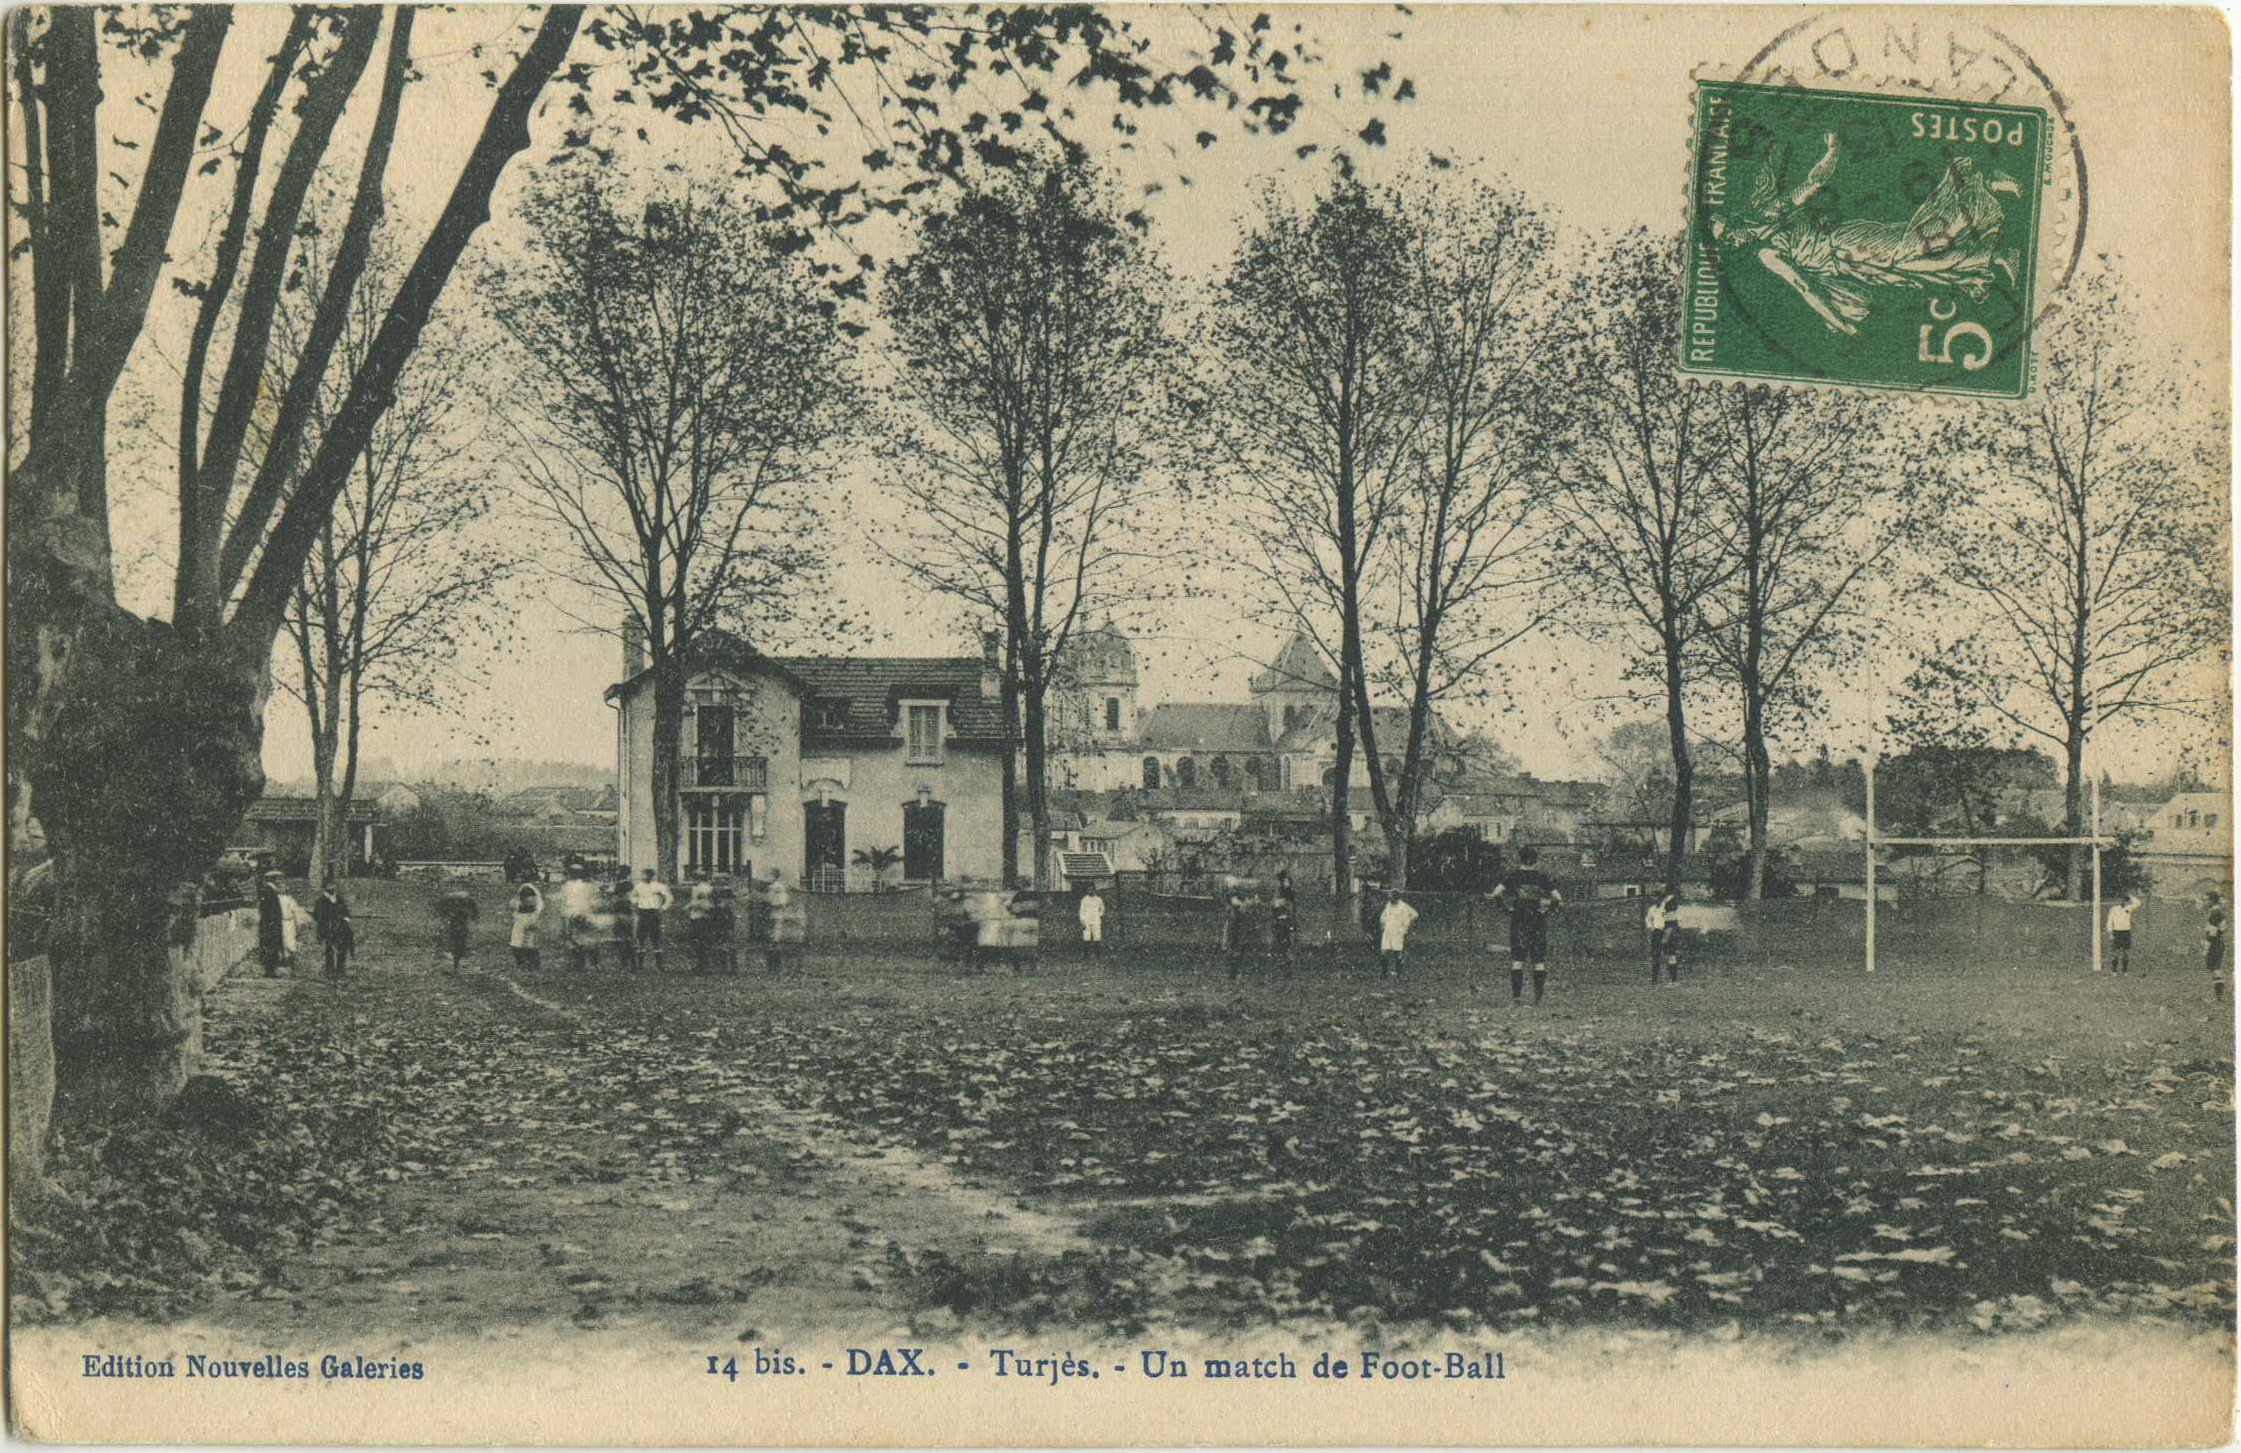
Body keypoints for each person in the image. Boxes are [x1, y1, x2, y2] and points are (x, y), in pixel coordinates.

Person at [1491, 847, 1563, 1004]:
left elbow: (1496, 893)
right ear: (1536, 860)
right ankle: (1538, 998)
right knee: (1539, 960)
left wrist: (1505, 908)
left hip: (1519, 919)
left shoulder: (1514, 876)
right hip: (1537, 919)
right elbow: (1557, 897)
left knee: (1518, 959)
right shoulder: (1541, 877)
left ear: (1520, 859)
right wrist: (1547, 911)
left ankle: (1517, 997)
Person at [631, 867, 674, 971]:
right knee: (641, 939)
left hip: (654, 913)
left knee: (656, 940)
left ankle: (659, 966)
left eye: (648, 875)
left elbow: (669, 898)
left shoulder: (659, 886)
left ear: (652, 876)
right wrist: (636, 906)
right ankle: (640, 966)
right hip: (643, 913)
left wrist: (663, 908)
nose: (646, 877)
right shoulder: (638, 886)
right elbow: (633, 897)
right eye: (644, 875)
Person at [560, 863, 600, 972]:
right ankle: (580, 963)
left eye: (576, 872)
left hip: (584, 913)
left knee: (587, 939)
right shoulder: (566, 885)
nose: (574, 874)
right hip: (571, 913)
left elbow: (594, 900)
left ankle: (592, 963)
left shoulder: (588, 885)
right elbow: (564, 901)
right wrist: (564, 916)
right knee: (573, 939)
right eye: (572, 872)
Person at [312, 878, 354, 978]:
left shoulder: (339, 899)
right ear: (324, 887)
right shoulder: (321, 901)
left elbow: (346, 911)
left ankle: (340, 969)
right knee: (330, 948)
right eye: (329, 885)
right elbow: (318, 916)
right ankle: (329, 970)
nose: (331, 887)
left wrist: (346, 918)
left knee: (342, 948)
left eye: (333, 884)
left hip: (341, 927)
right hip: (328, 928)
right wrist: (326, 925)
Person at [1377, 890, 1418, 978]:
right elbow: (1383, 916)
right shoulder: (1388, 905)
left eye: (1391, 896)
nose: (1389, 898)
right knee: (1383, 953)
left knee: (1397, 953)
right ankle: (1384, 974)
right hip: (1388, 931)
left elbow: (1415, 914)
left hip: (1398, 932)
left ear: (1396, 897)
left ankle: (1399, 975)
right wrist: (1383, 923)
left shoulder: (1403, 906)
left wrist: (1406, 925)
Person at [437, 886, 478, 972]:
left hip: (457, 928)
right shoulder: (463, 908)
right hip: (458, 929)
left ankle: (455, 962)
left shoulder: (454, 908)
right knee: (458, 945)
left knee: (457, 944)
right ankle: (456, 962)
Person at [1646, 891, 1682, 985]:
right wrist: (1651, 927)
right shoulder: (1653, 909)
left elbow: (1673, 922)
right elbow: (1648, 919)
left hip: (1667, 932)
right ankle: (1655, 979)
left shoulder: (1666, 907)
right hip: (1657, 932)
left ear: (1660, 898)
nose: (1654, 899)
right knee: (1656, 955)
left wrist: (1667, 934)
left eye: (1656, 897)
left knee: (1670, 954)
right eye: (1652, 897)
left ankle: (1674, 980)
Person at [687, 875, 720, 975]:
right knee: (700, 942)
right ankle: (701, 965)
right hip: (697, 917)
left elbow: (714, 904)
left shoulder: (708, 889)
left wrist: (699, 905)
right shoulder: (697, 889)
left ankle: (707, 966)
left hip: (703, 918)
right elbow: (693, 903)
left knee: (704, 942)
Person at [256, 871, 286, 978]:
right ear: (273, 879)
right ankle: (270, 970)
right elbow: (269, 909)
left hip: (271, 923)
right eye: (277, 879)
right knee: (271, 945)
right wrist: (272, 922)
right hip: (271, 923)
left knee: (272, 945)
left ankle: (271, 969)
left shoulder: (270, 890)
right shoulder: (268, 891)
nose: (279, 881)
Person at [511, 880, 545, 974]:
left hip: (528, 918)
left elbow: (537, 906)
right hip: (520, 919)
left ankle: (533, 965)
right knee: (516, 944)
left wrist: (533, 919)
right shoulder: (521, 891)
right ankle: (522, 964)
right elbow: (514, 907)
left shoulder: (531, 891)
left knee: (529, 944)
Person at [1224, 881, 1253, 982]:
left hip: (1238, 925)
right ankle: (1234, 973)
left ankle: (1235, 973)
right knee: (1234, 948)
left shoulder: (1237, 897)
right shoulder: (1232, 898)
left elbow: (1243, 906)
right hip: (1235, 925)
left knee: (1236, 948)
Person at [1271, 870, 1297, 978]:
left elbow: (1290, 907)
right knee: (1280, 943)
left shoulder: (1290, 893)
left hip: (1287, 921)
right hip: (1280, 921)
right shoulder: (1280, 893)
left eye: (1286, 881)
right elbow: (1274, 905)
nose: (1285, 883)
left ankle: (1288, 967)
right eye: (1283, 881)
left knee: (1288, 943)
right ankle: (1283, 966)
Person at [2107, 894, 2138, 976]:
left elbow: (2138, 903)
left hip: (2126, 932)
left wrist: (2130, 895)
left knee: (2126, 952)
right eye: (2122, 900)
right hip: (2117, 931)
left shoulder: (2129, 908)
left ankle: (2125, 971)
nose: (2124, 902)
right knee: (2115, 952)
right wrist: (2110, 933)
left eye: (2126, 901)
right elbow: (2110, 921)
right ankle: (2114, 971)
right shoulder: (2114, 909)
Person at [2207, 891, 2228, 999]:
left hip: (2215, 942)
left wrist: (2207, 944)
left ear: (2212, 900)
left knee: (2216, 968)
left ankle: (2219, 994)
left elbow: (2213, 930)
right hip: (2219, 941)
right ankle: (2219, 994)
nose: (2206, 902)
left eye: (2207, 899)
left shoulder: (2215, 912)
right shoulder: (2218, 910)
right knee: (2216, 968)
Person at [1078, 884, 1105, 956]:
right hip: (1087, 920)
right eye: (1089, 889)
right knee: (1086, 937)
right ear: (1087, 890)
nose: (1090, 891)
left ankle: (1098, 955)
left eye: (1092, 889)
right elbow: (1081, 911)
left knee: (1097, 937)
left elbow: (1102, 909)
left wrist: (1099, 915)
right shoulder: (1084, 900)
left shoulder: (1099, 899)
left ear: (1094, 890)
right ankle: (1085, 955)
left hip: (1096, 920)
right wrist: (1082, 921)